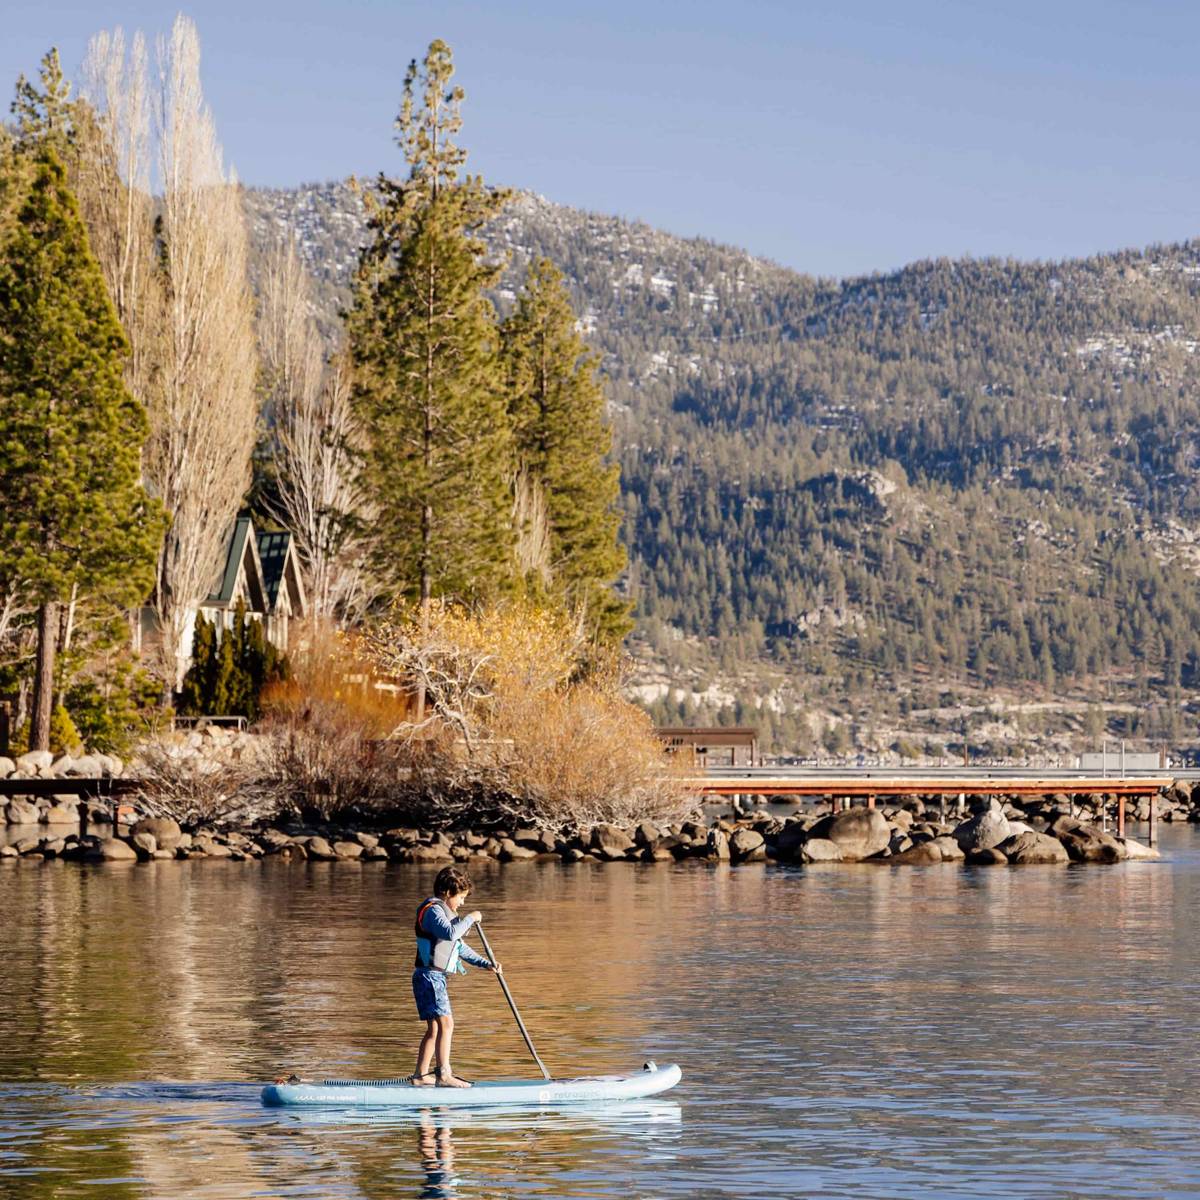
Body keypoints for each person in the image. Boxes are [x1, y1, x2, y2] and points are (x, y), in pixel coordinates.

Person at [410, 865, 500, 1088]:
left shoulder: (445, 914)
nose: (462, 903)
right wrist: (471, 918)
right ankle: (444, 1075)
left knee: (436, 1028)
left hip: (432, 977)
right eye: (460, 897)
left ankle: (420, 1076)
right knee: (447, 1025)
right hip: (429, 977)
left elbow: (458, 946)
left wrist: (485, 964)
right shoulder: (433, 911)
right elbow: (450, 933)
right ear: (448, 893)